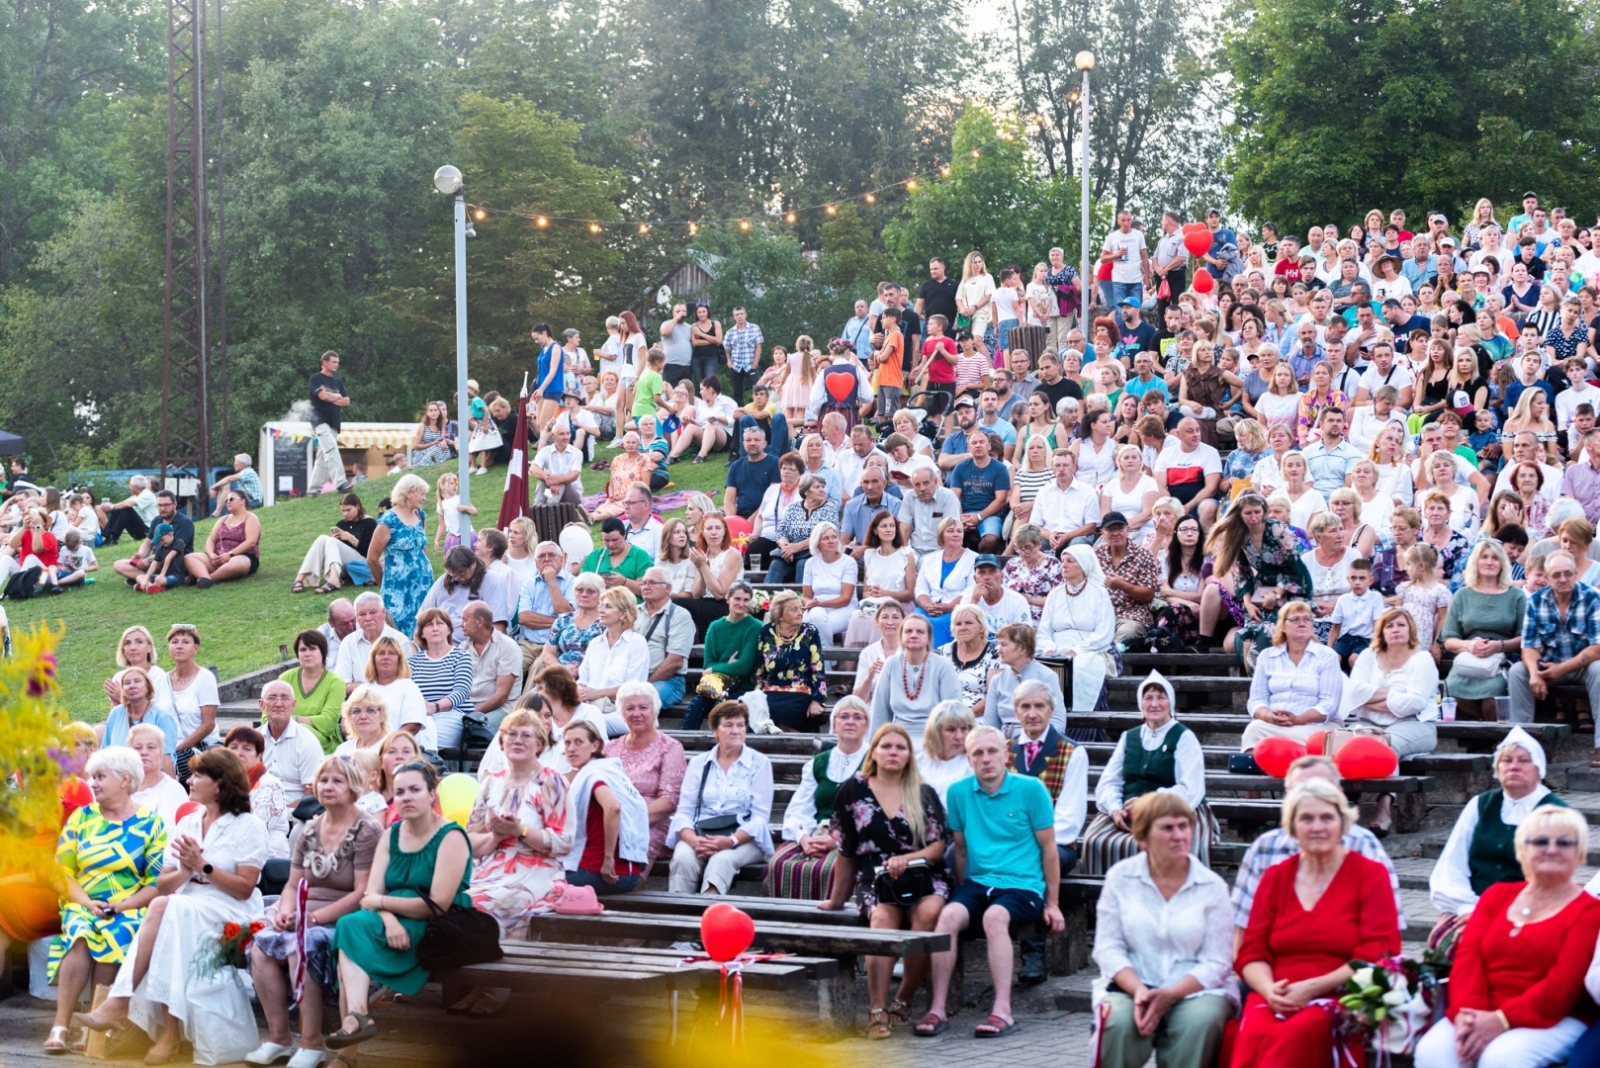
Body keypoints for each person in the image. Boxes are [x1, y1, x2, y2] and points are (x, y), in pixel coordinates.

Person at [78, 750, 268, 1065]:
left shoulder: (248, 825)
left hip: (232, 910)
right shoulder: (189, 821)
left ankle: (126, 1004)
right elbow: (162, 885)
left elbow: (245, 888)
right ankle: (161, 1028)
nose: (188, 780)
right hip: (187, 903)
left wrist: (202, 866)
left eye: (197, 776)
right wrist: (185, 870)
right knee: (170, 909)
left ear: (219, 784)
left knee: (173, 909)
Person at [1414, 805, 1600, 1068]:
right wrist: (1468, 1017)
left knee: (1501, 1059)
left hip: (1555, 1016)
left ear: (1579, 853)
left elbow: (1562, 985)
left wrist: (1501, 1020)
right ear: (1523, 849)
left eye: (1564, 842)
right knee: (1433, 1052)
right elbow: (1468, 960)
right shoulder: (1496, 895)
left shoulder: (1590, 911)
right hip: (1479, 1009)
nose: (1551, 849)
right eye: (1540, 841)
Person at [1232, 780, 1400, 1067]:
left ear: (1343, 823)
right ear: (1293, 826)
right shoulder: (1275, 877)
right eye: (1306, 818)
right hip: (1276, 993)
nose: (1317, 827)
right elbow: (1251, 952)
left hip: (1341, 994)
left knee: (1296, 1033)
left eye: (1327, 818)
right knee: (1255, 1029)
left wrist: (1311, 988)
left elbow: (1377, 953)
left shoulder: (1370, 874)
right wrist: (1269, 991)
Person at [917, 725, 1065, 1039]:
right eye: (978, 753)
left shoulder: (1031, 789)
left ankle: (1002, 1011)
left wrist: (1052, 903)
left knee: (994, 917)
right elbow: (961, 849)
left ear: (1006, 754)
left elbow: (1050, 850)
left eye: (992, 751)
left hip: (1022, 884)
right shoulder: (958, 793)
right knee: (948, 916)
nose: (986, 759)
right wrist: (960, 890)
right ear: (968, 759)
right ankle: (938, 1008)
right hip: (978, 881)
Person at [322, 761, 472, 1051]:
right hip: (392, 915)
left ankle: (348, 1048)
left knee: (350, 942)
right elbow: (372, 892)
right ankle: (357, 1016)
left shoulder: (452, 837)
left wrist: (380, 903)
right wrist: (388, 918)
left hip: (435, 924)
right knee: (349, 926)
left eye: (415, 789)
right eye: (400, 791)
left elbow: (437, 905)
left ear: (432, 795)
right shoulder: (391, 834)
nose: (407, 797)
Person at [818, 723, 952, 1040]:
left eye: (900, 747)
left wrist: (908, 858)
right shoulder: (853, 791)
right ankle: (877, 1009)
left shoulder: (922, 791)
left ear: (909, 755)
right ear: (874, 751)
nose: (893, 752)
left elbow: (938, 845)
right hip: (876, 878)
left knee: (928, 915)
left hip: (923, 874)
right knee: (882, 919)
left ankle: (903, 999)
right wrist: (837, 901)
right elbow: (846, 851)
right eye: (887, 746)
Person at [247, 757, 381, 1068]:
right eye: (324, 781)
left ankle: (312, 1042)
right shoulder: (309, 830)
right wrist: (284, 911)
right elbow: (293, 885)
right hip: (305, 914)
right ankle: (279, 1038)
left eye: (338, 781)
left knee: (300, 944)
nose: (329, 787)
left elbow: (362, 892)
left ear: (354, 787)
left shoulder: (367, 829)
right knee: (262, 945)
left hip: (346, 918)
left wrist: (313, 918)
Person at [1091, 791, 1237, 1068]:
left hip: (1194, 989)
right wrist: (1140, 991)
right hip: (1132, 985)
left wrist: (1171, 995)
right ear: (1143, 838)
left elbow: (1217, 961)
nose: (1179, 835)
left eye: (1184, 826)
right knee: (1118, 1022)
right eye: (1167, 828)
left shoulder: (1212, 886)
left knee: (1201, 1020)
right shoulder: (1120, 877)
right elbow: (1108, 948)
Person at [43, 748, 167, 1054]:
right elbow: (62, 873)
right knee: (82, 932)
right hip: (82, 899)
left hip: (130, 905)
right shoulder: (81, 818)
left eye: (100, 777)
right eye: (91, 777)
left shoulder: (151, 824)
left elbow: (156, 883)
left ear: (125, 779)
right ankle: (60, 1025)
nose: (92, 783)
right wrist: (86, 903)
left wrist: (123, 906)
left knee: (117, 931)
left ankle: (91, 1028)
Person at [1230, 754, 1405, 946]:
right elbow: (1243, 932)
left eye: (1322, 789)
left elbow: (1385, 936)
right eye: (1300, 791)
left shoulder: (1364, 845)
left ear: (1339, 795)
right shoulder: (1264, 848)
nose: (1311, 797)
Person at [1430, 727, 1570, 934]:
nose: (1514, 767)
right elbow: (1452, 865)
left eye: (1523, 761)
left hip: (1529, 912)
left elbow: (1552, 881)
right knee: (1445, 941)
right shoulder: (1480, 805)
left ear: (1538, 768)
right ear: (1497, 767)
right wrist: (1469, 907)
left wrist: (1495, 914)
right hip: (1471, 906)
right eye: (1507, 760)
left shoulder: (1553, 813)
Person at [1081, 670, 1210, 878]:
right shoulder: (1128, 737)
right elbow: (1109, 782)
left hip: (1175, 809)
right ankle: (1104, 903)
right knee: (1095, 840)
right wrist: (1114, 809)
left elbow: (1190, 789)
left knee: (1167, 841)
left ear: (1171, 703)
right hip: (1128, 811)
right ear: (1141, 705)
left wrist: (1149, 803)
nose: (1154, 703)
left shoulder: (1184, 737)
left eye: (1161, 697)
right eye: (1148, 698)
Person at [667, 701, 774, 893]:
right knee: (683, 857)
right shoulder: (699, 763)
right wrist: (693, 841)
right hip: (701, 833)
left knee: (721, 860)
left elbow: (760, 818)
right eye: (728, 725)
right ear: (715, 731)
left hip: (744, 838)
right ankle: (679, 914)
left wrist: (730, 841)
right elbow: (684, 811)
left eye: (740, 725)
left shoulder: (760, 763)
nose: (735, 731)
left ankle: (709, 915)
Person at [769, 699, 870, 900]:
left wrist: (837, 839)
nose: (850, 721)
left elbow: (878, 812)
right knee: (780, 864)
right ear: (834, 724)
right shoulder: (819, 762)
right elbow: (799, 807)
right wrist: (804, 838)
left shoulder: (874, 761)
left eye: (857, 717)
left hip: (857, 837)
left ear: (866, 726)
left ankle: (834, 924)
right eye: (844, 716)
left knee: (831, 867)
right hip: (816, 832)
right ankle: (789, 927)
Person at [1509, 551, 1600, 750]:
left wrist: (1561, 669)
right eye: (1556, 575)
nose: (1563, 579)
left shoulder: (1593, 597)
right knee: (1517, 672)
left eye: (1568, 573)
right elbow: (1529, 645)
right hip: (1548, 666)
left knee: (1599, 669)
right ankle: (1520, 746)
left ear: (1576, 574)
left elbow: (1597, 648)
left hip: (1583, 667)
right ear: (1548, 578)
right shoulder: (1536, 600)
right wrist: (1534, 673)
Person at [560, 719, 650, 896]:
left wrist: (608, 859)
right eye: (567, 743)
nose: (571, 748)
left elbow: (613, 807)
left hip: (603, 873)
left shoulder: (594, 774)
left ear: (595, 746)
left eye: (579, 742)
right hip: (629, 874)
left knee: (533, 879)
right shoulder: (612, 772)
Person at [601, 681, 686, 865]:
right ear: (622, 714)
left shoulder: (670, 747)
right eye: (630, 708)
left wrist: (627, 819)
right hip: (613, 822)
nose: (636, 713)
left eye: (643, 707)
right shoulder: (610, 748)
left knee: (630, 854)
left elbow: (669, 800)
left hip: (654, 823)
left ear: (654, 711)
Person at [1240, 601, 1344, 751]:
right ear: (1282, 626)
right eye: (1295, 619)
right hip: (1275, 725)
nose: (1302, 623)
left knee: (1315, 739)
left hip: (1316, 726)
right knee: (1254, 729)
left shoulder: (1327, 656)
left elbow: (1329, 704)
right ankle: (1260, 771)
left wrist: (1298, 719)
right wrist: (1269, 716)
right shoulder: (1267, 656)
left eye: (1307, 619)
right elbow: (1256, 700)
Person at [1037, 545, 1119, 714]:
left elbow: (1103, 633)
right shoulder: (1054, 594)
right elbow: (1044, 630)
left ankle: (1080, 724)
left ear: (1083, 565)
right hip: (1056, 648)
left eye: (1070, 561)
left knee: (1080, 670)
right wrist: (1049, 649)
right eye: (1062, 561)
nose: (1064, 565)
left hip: (1089, 649)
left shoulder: (1099, 593)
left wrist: (1076, 650)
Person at [870, 613, 961, 747]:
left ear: (928, 637)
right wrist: (875, 746)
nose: (914, 635)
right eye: (908, 631)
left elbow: (953, 711)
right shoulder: (891, 664)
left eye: (920, 632)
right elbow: (880, 711)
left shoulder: (943, 665)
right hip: (899, 736)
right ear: (901, 636)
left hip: (935, 736)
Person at [367, 474, 434, 638]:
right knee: (398, 633)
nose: (424, 498)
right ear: (409, 492)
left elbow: (422, 547)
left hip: (423, 585)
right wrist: (383, 583)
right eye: (421, 493)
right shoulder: (389, 520)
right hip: (398, 589)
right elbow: (372, 558)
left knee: (425, 628)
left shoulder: (420, 515)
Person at [754, 590, 829, 732]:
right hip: (772, 691)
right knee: (758, 713)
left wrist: (817, 700)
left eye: (800, 608)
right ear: (779, 615)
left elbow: (818, 668)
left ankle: (790, 740)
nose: (800, 613)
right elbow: (759, 670)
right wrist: (756, 696)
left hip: (800, 691)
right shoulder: (766, 632)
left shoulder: (810, 631)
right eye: (794, 609)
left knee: (788, 711)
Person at [575, 587, 650, 711]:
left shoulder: (637, 642)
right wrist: (583, 694)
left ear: (623, 614)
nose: (601, 611)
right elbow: (582, 680)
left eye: (608, 607)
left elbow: (634, 688)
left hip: (621, 710)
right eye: (601, 606)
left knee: (589, 722)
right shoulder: (595, 643)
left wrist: (597, 694)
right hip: (590, 706)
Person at [223, 725, 291, 859]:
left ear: (259, 755)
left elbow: (254, 832)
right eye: (233, 748)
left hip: (265, 859)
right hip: (226, 853)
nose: (239, 753)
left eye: (247, 749)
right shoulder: (219, 781)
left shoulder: (271, 785)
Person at [277, 629, 346, 753]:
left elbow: (328, 722)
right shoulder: (285, 678)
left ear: (323, 652)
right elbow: (268, 715)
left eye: (312, 649)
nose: (307, 653)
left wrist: (294, 720)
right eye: (303, 650)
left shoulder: (336, 683)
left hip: (323, 743)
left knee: (301, 731)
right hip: (283, 738)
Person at [635, 566, 694, 707]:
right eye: (643, 583)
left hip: (667, 680)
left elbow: (674, 661)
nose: (646, 587)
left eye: (652, 583)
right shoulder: (633, 613)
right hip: (633, 678)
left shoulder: (680, 615)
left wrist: (645, 685)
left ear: (668, 588)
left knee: (641, 704)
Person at [255, 681, 323, 802]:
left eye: (285, 698)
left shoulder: (307, 742)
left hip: (294, 815)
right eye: (272, 697)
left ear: (293, 705)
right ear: (261, 704)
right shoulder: (252, 740)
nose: (279, 704)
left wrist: (280, 812)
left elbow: (312, 795)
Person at [183, 489, 262, 589]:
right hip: (218, 558)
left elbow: (251, 542)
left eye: (231, 499)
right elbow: (210, 540)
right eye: (226, 500)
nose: (228, 501)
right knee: (189, 557)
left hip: (240, 557)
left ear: (243, 501)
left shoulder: (251, 518)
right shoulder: (223, 519)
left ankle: (209, 578)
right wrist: (211, 554)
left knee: (239, 563)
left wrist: (230, 554)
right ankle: (205, 578)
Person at [101, 667, 180, 764]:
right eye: (127, 683)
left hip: (151, 774)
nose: (132, 686)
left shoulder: (162, 717)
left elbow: (167, 759)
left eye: (137, 681)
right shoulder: (116, 714)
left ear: (148, 687)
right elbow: (104, 752)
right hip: (117, 774)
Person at [308, 351, 353, 495]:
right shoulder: (315, 378)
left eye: (337, 362)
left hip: (334, 422)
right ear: (325, 362)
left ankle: (313, 490)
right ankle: (341, 483)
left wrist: (330, 397)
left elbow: (346, 401)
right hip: (319, 420)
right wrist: (336, 396)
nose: (336, 365)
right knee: (332, 449)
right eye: (333, 362)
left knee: (323, 456)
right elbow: (322, 396)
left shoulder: (337, 382)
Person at [128, 724, 188, 829]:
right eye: (137, 748)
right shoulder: (119, 786)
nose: (144, 752)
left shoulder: (172, 790)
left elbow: (168, 835)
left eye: (151, 747)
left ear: (161, 754)